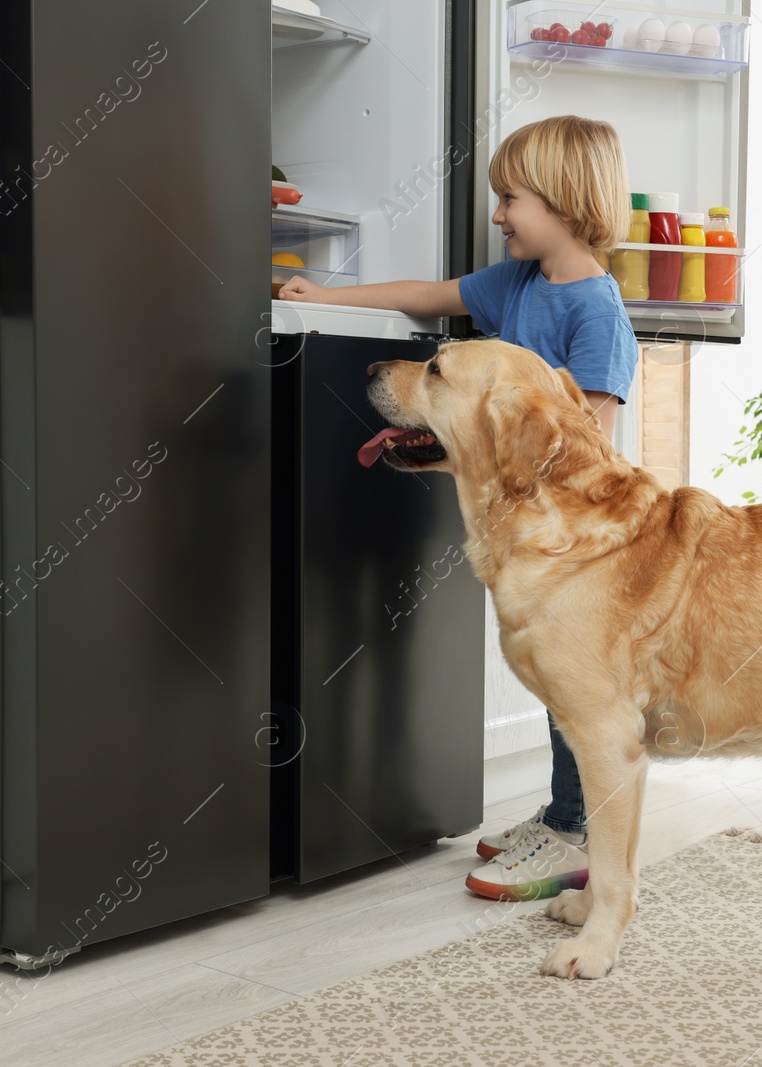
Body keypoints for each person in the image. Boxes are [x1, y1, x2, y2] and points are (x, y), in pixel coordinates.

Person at [278, 115, 637, 901]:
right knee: (553, 678)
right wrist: (329, 295)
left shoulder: (596, 313)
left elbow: (584, 442)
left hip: (575, 541)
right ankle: (564, 812)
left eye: (511, 197)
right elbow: (424, 294)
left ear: (567, 205)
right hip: (525, 534)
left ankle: (576, 833)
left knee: (574, 682)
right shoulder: (516, 283)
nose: (500, 213)